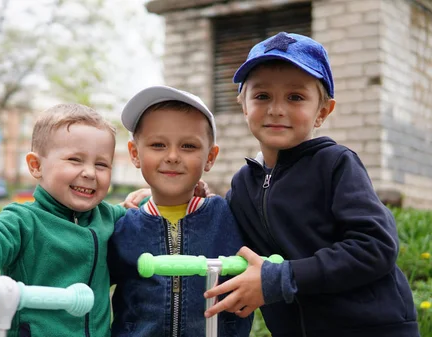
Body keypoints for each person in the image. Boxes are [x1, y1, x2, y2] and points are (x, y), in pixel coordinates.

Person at [203, 32, 419, 337]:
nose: (277, 109)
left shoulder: (336, 164)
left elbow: (376, 246)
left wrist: (282, 278)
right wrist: (182, 196)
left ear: (322, 111)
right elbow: (225, 240)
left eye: (295, 97)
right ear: (243, 105)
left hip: (371, 327)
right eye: (262, 96)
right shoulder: (242, 185)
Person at [0, 103, 139, 337]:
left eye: (101, 164)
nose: (90, 173)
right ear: (36, 165)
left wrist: (148, 197)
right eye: (75, 160)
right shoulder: (24, 220)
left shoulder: (109, 217)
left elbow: (150, 216)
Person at [108, 86, 253, 337]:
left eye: (188, 146)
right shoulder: (121, 225)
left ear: (210, 157)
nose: (173, 156)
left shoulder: (229, 216)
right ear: (134, 154)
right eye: (158, 144)